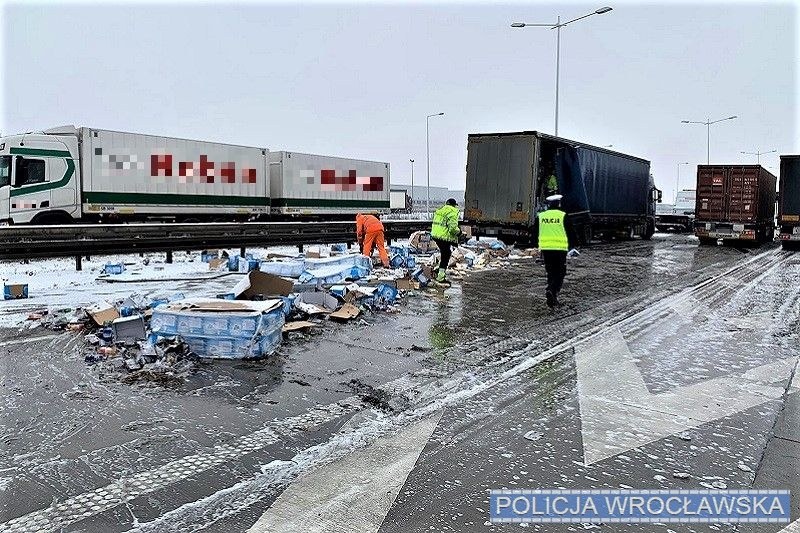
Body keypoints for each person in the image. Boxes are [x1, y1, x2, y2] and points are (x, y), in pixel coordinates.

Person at [532, 194, 576, 308]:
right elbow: (570, 232)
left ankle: (551, 292)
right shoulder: (563, 216)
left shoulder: (541, 216)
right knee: (560, 272)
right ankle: (552, 291)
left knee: (550, 271)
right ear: (559, 203)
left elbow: (535, 232)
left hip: (546, 249)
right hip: (560, 249)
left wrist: (536, 245)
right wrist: (573, 246)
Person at [430, 198, 461, 283]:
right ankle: (440, 276)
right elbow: (453, 229)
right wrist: (459, 232)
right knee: (446, 254)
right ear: (454, 205)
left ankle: (439, 270)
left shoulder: (440, 210)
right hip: (443, 237)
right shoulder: (452, 212)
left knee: (445, 253)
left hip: (435, 235)